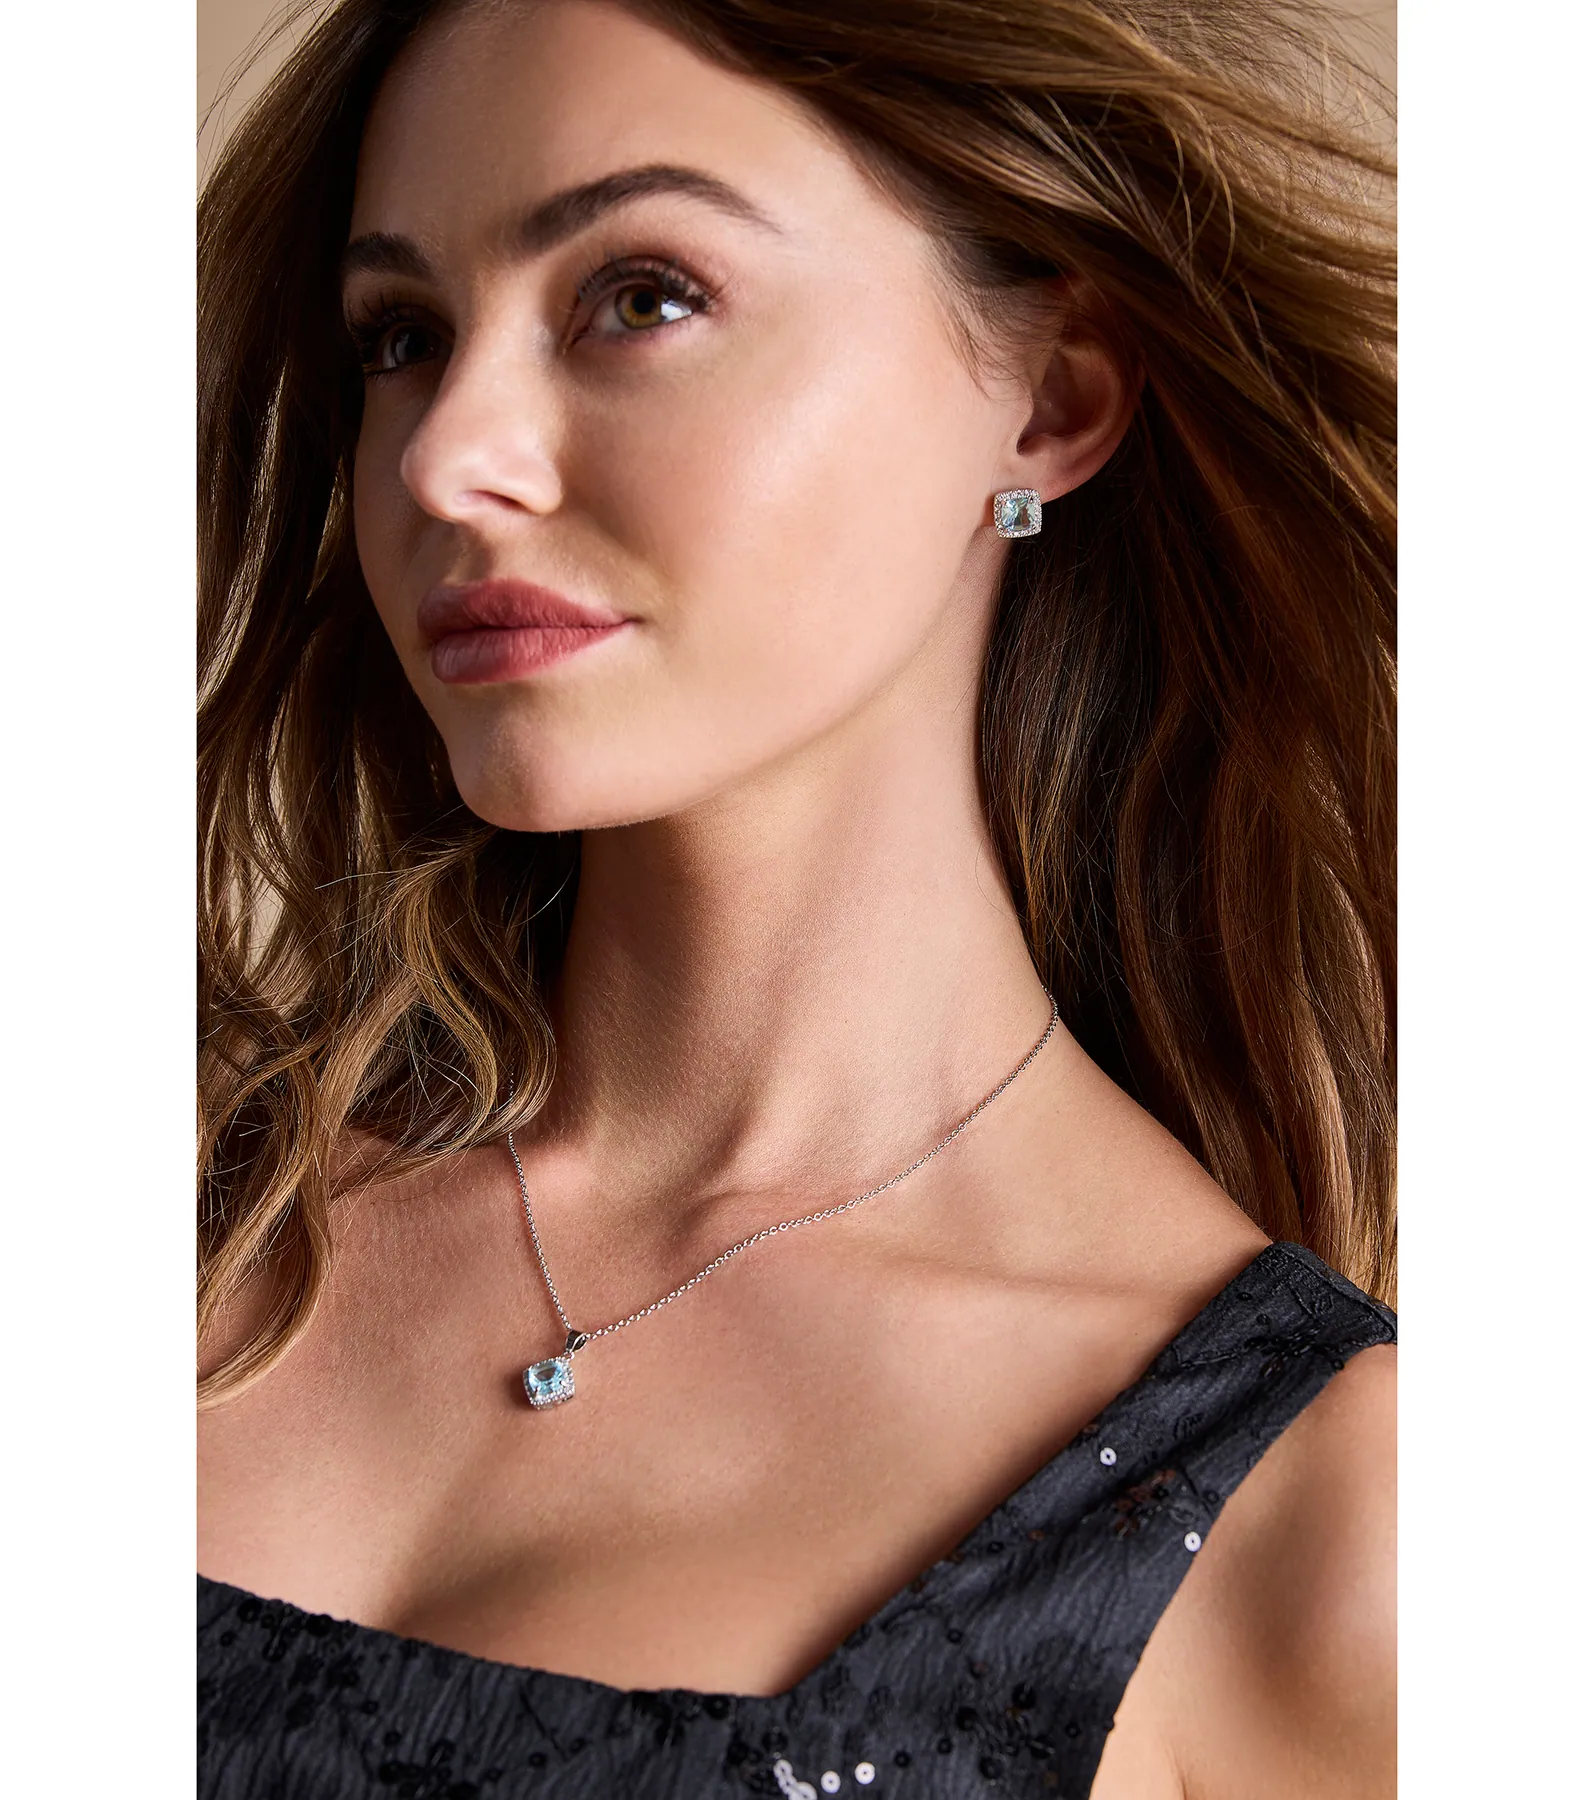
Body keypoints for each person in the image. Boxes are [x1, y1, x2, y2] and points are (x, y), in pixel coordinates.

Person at [196, 1, 1396, 1794]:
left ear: (1050, 400)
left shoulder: (1326, 1537)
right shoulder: (182, 1202)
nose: (448, 455)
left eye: (642, 297)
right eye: (403, 336)